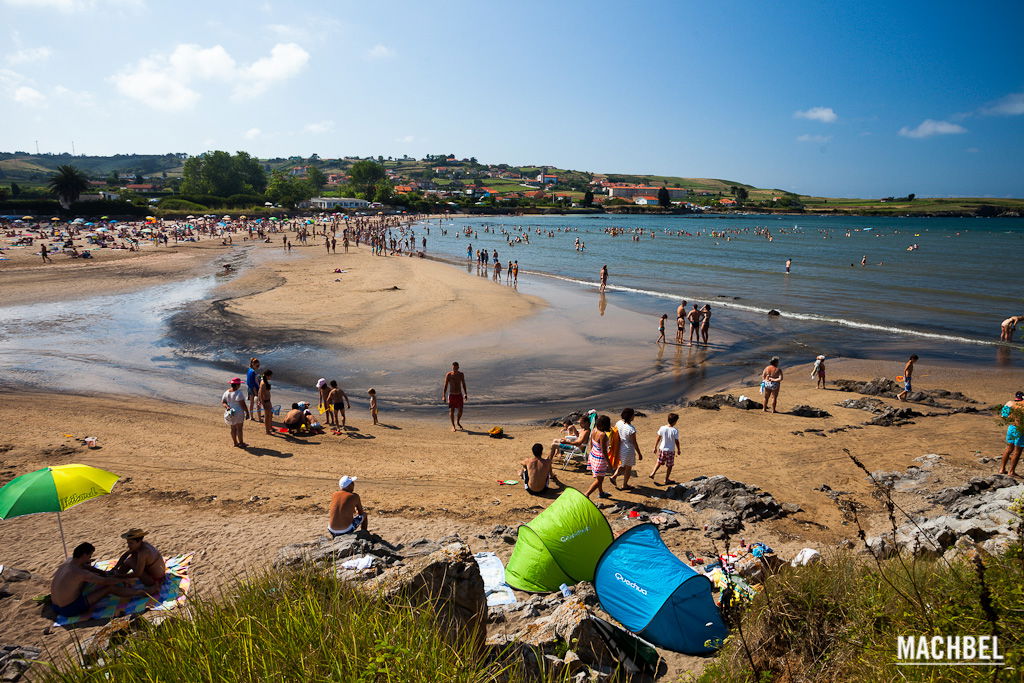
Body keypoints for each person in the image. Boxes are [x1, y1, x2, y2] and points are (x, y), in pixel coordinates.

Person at [50, 542, 142, 618]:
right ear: (84, 555)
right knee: (109, 588)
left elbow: (85, 566)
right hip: (68, 609)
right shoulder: (80, 573)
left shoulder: (69, 561)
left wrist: (102, 572)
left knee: (88, 576)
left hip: (54, 606)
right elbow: (105, 582)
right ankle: (141, 593)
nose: (89, 559)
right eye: (89, 556)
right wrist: (123, 580)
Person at [609, 408, 642, 490]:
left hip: (620, 447)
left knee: (622, 465)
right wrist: (639, 453)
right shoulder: (631, 429)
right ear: (630, 416)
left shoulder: (619, 423)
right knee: (628, 468)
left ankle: (614, 477)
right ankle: (624, 484)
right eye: (633, 415)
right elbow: (634, 442)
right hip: (628, 449)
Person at [585, 415, 612, 499]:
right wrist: (609, 463)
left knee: (599, 476)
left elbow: (591, 443)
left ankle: (601, 492)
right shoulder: (603, 435)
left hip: (593, 454)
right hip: (600, 459)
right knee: (599, 480)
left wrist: (592, 453)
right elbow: (604, 451)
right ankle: (587, 494)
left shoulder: (594, 430)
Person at [648, 413, 680, 485]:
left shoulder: (662, 428)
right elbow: (676, 441)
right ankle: (666, 479)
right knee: (670, 465)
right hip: (670, 450)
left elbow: (658, 438)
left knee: (659, 461)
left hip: (662, 449)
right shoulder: (675, 430)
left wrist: (655, 447)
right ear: (675, 422)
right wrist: (679, 449)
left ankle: (653, 473)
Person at [999, 391, 1024, 478]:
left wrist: (1012, 418)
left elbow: (1003, 416)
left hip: (1011, 427)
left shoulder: (1010, 403)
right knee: (1017, 451)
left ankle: (1002, 469)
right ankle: (1011, 471)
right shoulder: (1022, 405)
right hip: (1020, 429)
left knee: (1009, 448)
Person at [221, 377, 250, 448]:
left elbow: (223, 402)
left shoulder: (227, 392)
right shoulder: (239, 393)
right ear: (237, 385)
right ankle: (241, 443)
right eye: (239, 384)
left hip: (230, 412)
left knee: (233, 428)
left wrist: (227, 407)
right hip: (238, 412)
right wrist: (247, 412)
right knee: (239, 428)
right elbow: (243, 404)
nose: (240, 385)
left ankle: (235, 442)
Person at [442, 361, 468, 432]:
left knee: (460, 410)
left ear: (458, 367)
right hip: (452, 395)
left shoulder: (461, 374)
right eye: (454, 368)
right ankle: (453, 426)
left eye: (456, 368)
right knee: (452, 410)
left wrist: (465, 394)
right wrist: (443, 396)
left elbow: (463, 384)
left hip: (459, 394)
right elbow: (446, 385)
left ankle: (458, 421)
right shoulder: (449, 375)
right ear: (452, 367)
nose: (455, 369)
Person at [258, 369, 274, 435]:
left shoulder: (265, 381)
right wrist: (261, 402)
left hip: (268, 401)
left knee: (270, 415)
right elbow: (260, 393)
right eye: (270, 376)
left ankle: (269, 428)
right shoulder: (263, 383)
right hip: (265, 402)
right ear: (267, 376)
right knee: (267, 416)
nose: (271, 377)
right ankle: (267, 431)